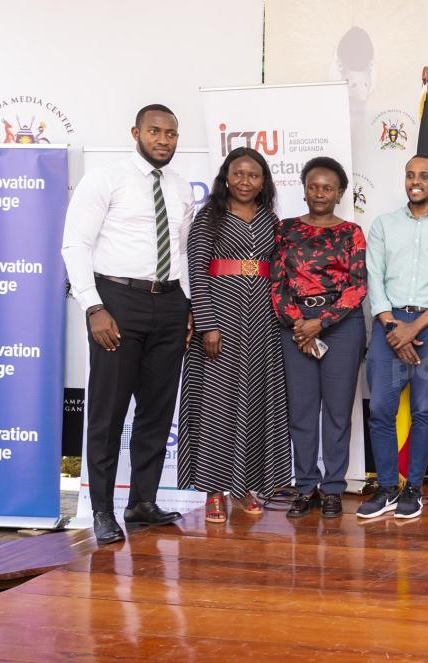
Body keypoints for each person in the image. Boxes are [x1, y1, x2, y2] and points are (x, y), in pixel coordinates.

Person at [61, 104, 193, 544]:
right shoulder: (106, 178)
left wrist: (188, 305)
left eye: (171, 134)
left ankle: (142, 502)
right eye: (155, 131)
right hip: (116, 301)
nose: (163, 140)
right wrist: (93, 307)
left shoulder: (179, 188)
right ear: (136, 132)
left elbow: (182, 252)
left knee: (157, 412)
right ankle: (101, 510)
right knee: (107, 412)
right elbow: (75, 244)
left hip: (170, 303)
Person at [178, 147, 291, 524]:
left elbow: (279, 270)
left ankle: (245, 487)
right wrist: (207, 323)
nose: (245, 181)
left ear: (264, 182)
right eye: (238, 174)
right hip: (220, 319)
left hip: (262, 322)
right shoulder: (209, 216)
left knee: (254, 401)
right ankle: (213, 491)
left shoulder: (270, 219)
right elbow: (196, 270)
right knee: (217, 403)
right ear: (226, 177)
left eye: (254, 175)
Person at [357, 154, 428, 520]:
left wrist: (414, 329)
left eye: (424, 176)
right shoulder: (383, 225)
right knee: (380, 410)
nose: (415, 181)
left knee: (424, 409)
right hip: (389, 323)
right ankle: (387, 487)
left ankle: (413, 489)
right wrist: (393, 327)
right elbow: (374, 278)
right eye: (410, 175)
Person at [272, 157, 367, 519]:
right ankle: (305, 486)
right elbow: (277, 283)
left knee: (338, 412)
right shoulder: (286, 229)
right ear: (304, 188)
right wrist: (298, 322)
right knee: (302, 411)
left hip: (341, 327)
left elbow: (358, 285)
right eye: (313, 186)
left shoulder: (351, 232)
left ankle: (332, 489)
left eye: (328, 188)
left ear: (340, 192)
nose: (320, 193)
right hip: (295, 328)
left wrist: (320, 323)